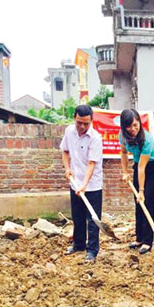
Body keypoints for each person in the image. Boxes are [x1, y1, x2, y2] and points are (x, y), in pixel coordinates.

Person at [60, 105, 103, 263]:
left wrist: (84, 184)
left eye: (86, 123)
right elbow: (65, 151)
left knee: (93, 219)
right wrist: (67, 169)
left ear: (91, 121)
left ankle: (92, 251)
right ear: (74, 118)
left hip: (92, 186)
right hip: (75, 183)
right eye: (79, 123)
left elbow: (92, 164)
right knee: (77, 217)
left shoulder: (95, 138)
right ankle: (78, 245)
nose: (82, 127)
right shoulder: (69, 132)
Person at [119, 109, 154, 254]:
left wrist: (142, 191)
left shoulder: (147, 139)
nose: (133, 129)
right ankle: (139, 238)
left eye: (135, 125)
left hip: (153, 169)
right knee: (138, 203)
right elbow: (123, 152)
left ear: (139, 122)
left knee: (147, 202)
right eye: (129, 126)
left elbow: (142, 167)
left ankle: (148, 241)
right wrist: (125, 171)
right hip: (139, 168)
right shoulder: (123, 136)